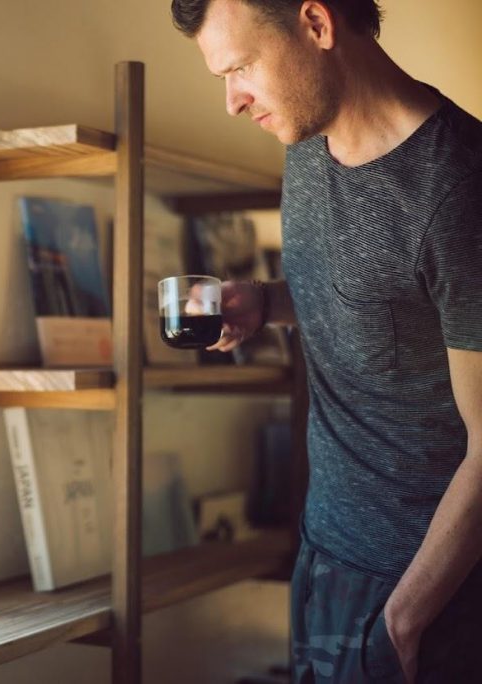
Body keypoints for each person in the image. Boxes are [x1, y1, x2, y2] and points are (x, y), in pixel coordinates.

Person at [172, 1, 482, 681]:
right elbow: (376, 299)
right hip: (322, 559)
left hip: (423, 592)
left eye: (243, 66)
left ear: (315, 23)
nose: (232, 101)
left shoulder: (458, 188)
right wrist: (265, 304)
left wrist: (405, 619)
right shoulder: (306, 141)